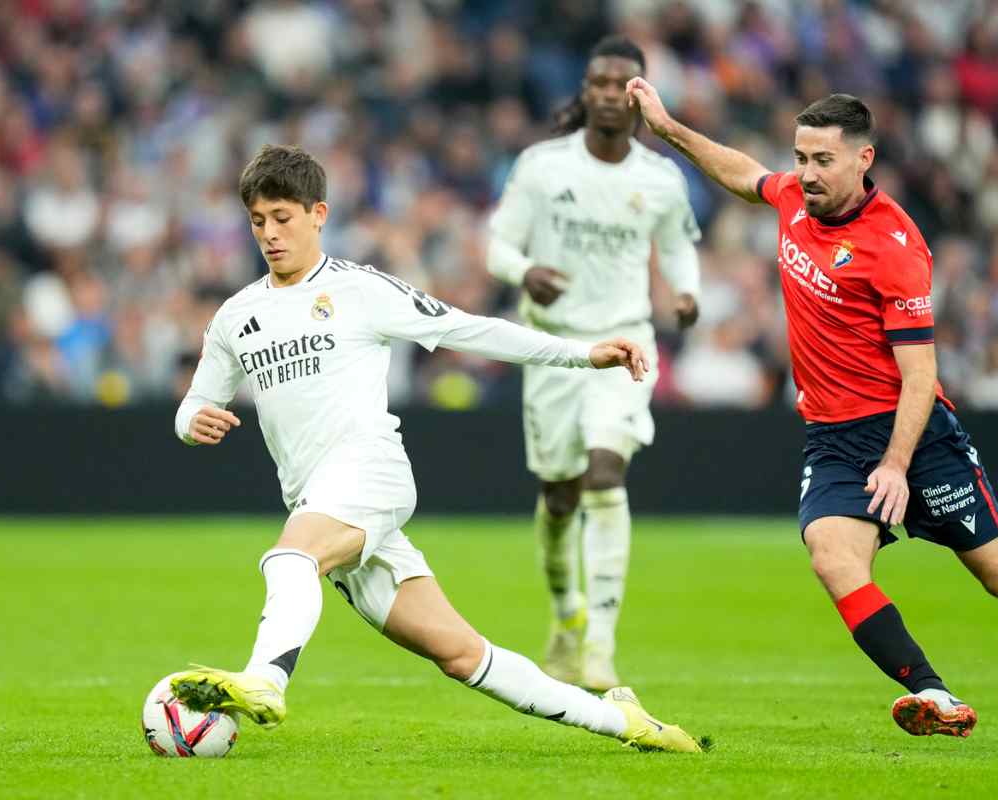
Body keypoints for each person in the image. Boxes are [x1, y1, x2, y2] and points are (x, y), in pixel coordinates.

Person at [625, 82, 998, 737]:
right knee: (833, 558)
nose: (806, 173)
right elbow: (744, 173)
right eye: (801, 157)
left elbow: (920, 375)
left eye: (823, 160)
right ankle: (933, 694)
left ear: (864, 159)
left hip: (915, 437)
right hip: (833, 438)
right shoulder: (794, 197)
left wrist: (897, 465)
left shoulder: (894, 248)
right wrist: (668, 127)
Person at [167, 144, 701, 753]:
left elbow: (469, 328)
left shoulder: (360, 289)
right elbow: (193, 402)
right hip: (319, 499)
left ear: (319, 213)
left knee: (291, 559)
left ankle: (265, 680)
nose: (269, 234)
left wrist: (581, 352)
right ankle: (624, 721)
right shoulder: (236, 316)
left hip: (369, 471)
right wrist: (193, 422)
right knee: (461, 654)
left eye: (283, 217)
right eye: (258, 221)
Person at [487, 35, 701, 690]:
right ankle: (566, 617)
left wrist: (687, 292)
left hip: (625, 340)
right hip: (554, 346)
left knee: (606, 472)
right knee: (559, 495)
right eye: (599, 83)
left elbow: (679, 247)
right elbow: (497, 243)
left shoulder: (661, 179)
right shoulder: (543, 166)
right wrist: (526, 271)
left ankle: (601, 647)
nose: (609, 94)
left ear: (642, 95)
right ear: (585, 92)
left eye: (623, 84)